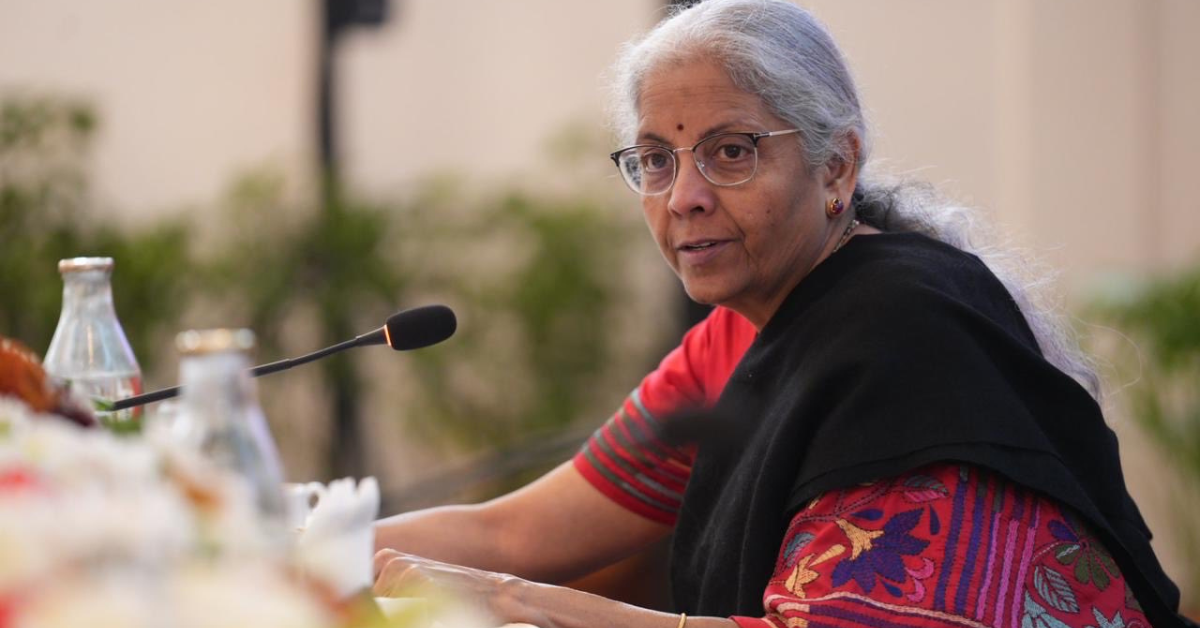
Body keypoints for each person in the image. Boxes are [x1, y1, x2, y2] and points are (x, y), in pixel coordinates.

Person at [373, 2, 1190, 627]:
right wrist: (293, 547)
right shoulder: (739, 334)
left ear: (837, 165)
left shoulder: (900, 335)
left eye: (732, 151)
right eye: (656, 160)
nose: (684, 198)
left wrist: (520, 602)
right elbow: (513, 534)